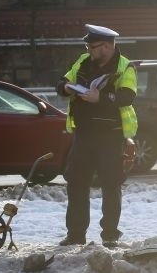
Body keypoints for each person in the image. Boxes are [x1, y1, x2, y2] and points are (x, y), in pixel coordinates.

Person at [56, 24, 137, 248]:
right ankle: (75, 234)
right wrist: (68, 88)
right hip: (84, 134)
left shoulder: (124, 66)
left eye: (93, 46)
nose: (89, 50)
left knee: (111, 184)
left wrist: (99, 98)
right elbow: (61, 84)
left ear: (108, 46)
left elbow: (127, 97)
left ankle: (110, 234)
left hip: (110, 136)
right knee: (76, 183)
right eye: (88, 46)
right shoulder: (83, 61)